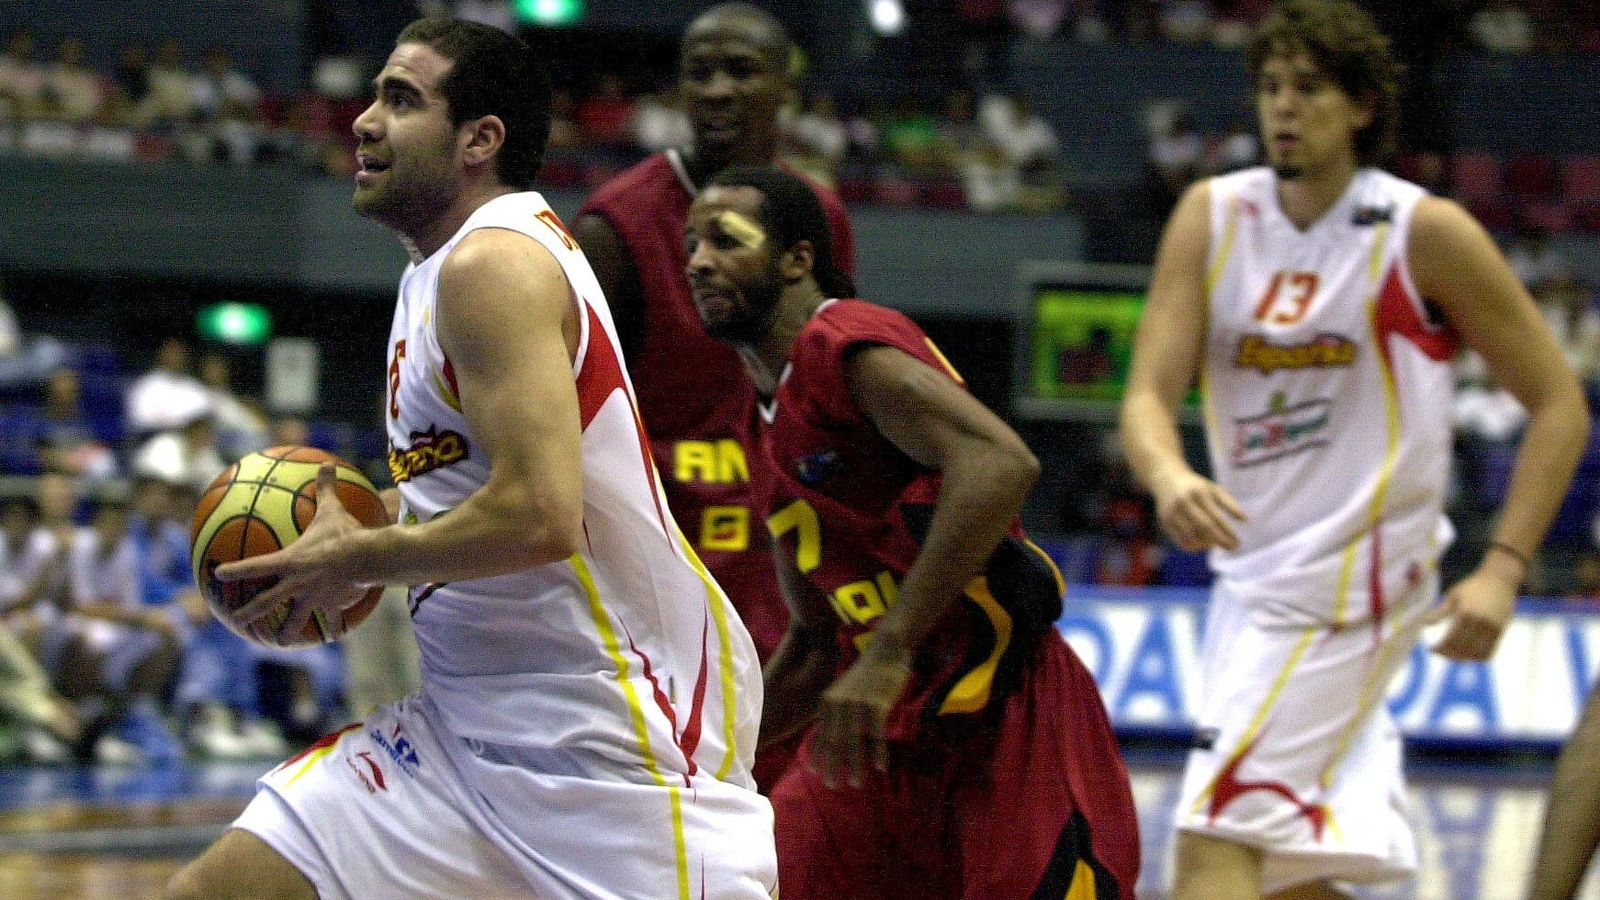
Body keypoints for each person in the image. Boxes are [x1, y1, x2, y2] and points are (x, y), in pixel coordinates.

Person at [168, 18, 773, 900]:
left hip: (606, 747)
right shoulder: (437, 269)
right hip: (459, 736)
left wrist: (359, 556)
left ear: (479, 140)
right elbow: (467, 490)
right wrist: (352, 524)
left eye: (401, 100)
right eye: (375, 96)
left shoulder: (493, 264)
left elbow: (539, 515)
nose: (364, 120)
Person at [1117, 2, 1589, 897]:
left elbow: (1559, 403)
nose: (1283, 107)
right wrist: (1168, 472)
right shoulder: (1212, 216)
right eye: (1270, 87)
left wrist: (1503, 567)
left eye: (1309, 88)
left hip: (1356, 586)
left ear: (1364, 105)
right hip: (1250, 581)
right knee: (1286, 874)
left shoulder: (1420, 230)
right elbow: (1146, 395)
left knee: (1211, 841)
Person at [686, 166, 1140, 897]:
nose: (698, 261)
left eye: (724, 240)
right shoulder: (755, 416)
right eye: (690, 245)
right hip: (878, 731)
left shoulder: (844, 344)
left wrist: (890, 650)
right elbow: (815, 640)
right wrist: (705, 763)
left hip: (1000, 715)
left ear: (798, 258)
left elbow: (1000, 462)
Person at [576, 2, 856, 666]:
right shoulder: (614, 227)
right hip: (660, 563)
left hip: (785, 554)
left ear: (785, 87)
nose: (718, 90)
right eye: (700, 74)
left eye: (741, 71)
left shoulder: (819, 214)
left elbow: (838, 389)